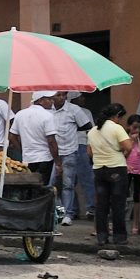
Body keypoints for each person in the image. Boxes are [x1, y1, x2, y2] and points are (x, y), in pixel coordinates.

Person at [86, 103, 133, 247]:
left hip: (99, 169)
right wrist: (122, 154)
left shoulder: (92, 131)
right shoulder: (117, 128)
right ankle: (119, 237)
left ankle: (102, 236)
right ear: (116, 116)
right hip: (117, 168)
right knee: (118, 204)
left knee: (101, 205)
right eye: (120, 117)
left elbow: (90, 152)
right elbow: (129, 146)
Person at [52, 93, 95, 225]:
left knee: (69, 183)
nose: (62, 97)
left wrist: (72, 128)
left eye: (64, 94)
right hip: (52, 153)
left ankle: (69, 213)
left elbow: (89, 126)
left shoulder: (75, 110)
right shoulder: (48, 110)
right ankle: (60, 211)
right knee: (52, 184)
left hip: (71, 150)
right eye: (59, 94)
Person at [11, 92, 61, 185]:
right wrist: (58, 162)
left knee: (29, 187)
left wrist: (22, 150)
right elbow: (51, 140)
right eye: (49, 99)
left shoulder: (20, 114)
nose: (52, 102)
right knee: (42, 187)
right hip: (44, 158)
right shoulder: (47, 116)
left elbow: (12, 137)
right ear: (40, 101)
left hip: (27, 158)